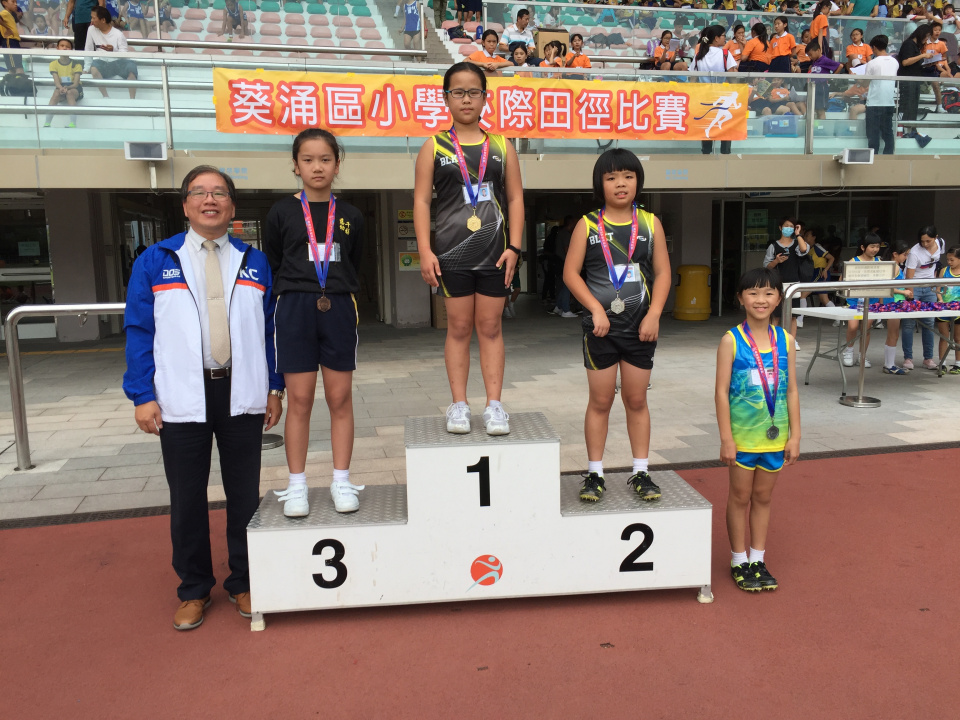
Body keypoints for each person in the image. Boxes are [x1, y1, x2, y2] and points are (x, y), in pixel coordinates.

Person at [123, 165, 284, 631]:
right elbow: (139, 330)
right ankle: (193, 588)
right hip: (181, 396)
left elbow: (271, 331)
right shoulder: (156, 260)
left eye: (219, 193)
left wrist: (274, 387)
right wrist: (142, 394)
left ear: (232, 207)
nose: (209, 200)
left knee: (244, 495)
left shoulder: (255, 261)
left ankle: (244, 580)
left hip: (242, 391)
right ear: (185, 205)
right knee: (187, 496)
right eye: (199, 192)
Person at [413, 63, 524, 436]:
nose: (466, 99)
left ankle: (494, 405)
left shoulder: (502, 146)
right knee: (459, 327)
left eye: (473, 92)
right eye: (458, 92)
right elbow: (421, 202)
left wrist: (515, 246)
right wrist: (426, 250)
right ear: (445, 98)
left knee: (491, 327)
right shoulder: (433, 146)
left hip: (496, 254)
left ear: (484, 98)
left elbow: (516, 198)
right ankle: (458, 405)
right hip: (451, 255)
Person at [264, 129, 366, 518]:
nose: (317, 167)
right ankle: (297, 485)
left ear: (337, 165)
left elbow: (354, 261)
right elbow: (276, 261)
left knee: (340, 398)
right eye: (308, 160)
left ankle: (341, 480)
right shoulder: (280, 212)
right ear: (295, 165)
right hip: (293, 307)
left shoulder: (351, 215)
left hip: (337, 305)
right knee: (300, 400)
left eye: (325, 159)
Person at [563, 149, 671, 505]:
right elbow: (570, 274)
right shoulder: (588, 225)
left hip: (640, 329)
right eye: (611, 178)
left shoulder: (651, 224)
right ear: (601, 184)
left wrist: (655, 314)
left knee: (636, 399)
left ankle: (640, 471)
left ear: (638, 181)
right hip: (601, 330)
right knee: (600, 400)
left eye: (627, 176)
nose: (620, 183)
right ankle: (595, 474)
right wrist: (595, 309)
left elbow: (663, 273)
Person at [716, 267, 800, 592]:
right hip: (742, 439)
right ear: (741, 298)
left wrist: (795, 435)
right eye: (752, 293)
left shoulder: (786, 341)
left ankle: (757, 558)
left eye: (768, 293)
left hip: (774, 438)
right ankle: (739, 560)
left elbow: (792, 390)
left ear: (778, 299)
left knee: (763, 497)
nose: (760, 300)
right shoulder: (731, 341)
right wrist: (726, 438)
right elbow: (721, 392)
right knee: (740, 497)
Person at [763, 216, 809, 346]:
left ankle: (792, 341)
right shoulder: (773, 246)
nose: (788, 229)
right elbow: (767, 266)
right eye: (786, 226)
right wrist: (776, 261)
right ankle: (772, 340)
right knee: (775, 314)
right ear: (780, 228)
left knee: (793, 315)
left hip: (794, 284)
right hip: (777, 284)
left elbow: (804, 249)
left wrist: (798, 235)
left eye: (791, 226)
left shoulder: (797, 244)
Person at [693, 25, 738, 155]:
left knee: (707, 127)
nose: (725, 38)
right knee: (725, 127)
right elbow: (732, 78)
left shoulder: (699, 55)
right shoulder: (725, 54)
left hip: (704, 97)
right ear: (716, 38)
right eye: (723, 35)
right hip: (722, 96)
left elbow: (693, 79)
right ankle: (725, 155)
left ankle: (706, 156)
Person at [902, 226, 942, 370]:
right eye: (922, 241)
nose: (925, 244)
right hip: (915, 286)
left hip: (929, 287)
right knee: (909, 323)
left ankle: (928, 358)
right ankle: (908, 357)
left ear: (935, 237)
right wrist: (910, 295)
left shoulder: (941, 244)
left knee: (929, 322)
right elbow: (909, 276)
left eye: (928, 241)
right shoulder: (914, 252)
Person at [841, 233, 883, 367]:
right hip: (853, 301)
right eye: (872, 246)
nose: (875, 249)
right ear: (863, 247)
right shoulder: (853, 261)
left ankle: (862, 355)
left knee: (866, 328)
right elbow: (842, 280)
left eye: (877, 246)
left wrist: (880, 302)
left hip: (872, 301)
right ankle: (849, 351)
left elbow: (884, 283)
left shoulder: (880, 262)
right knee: (853, 326)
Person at [85, 6, 138, 99]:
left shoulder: (118, 34)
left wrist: (113, 51)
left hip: (118, 63)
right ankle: (105, 97)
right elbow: (88, 49)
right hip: (102, 63)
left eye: (93, 18)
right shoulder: (91, 29)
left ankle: (132, 99)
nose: (91, 20)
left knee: (131, 66)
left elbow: (124, 55)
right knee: (93, 68)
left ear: (103, 20)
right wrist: (86, 68)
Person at [897, 24, 935, 147]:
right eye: (926, 36)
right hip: (907, 81)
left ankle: (911, 130)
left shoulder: (915, 46)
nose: (926, 39)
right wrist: (923, 56)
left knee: (912, 107)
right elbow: (905, 62)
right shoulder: (908, 44)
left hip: (914, 81)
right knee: (905, 107)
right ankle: (901, 130)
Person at [864, 34, 898, 155]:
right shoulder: (895, 62)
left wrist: (858, 78)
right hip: (888, 102)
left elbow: (865, 83)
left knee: (873, 135)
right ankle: (888, 158)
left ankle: (873, 158)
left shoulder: (872, 63)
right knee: (888, 133)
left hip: (874, 102)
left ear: (874, 47)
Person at [880, 241, 911, 374]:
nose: (906, 257)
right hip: (893, 303)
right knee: (893, 334)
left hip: (895, 303)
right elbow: (887, 286)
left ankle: (889, 363)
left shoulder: (894, 266)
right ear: (895, 254)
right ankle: (889, 365)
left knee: (894, 334)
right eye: (905, 254)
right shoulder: (894, 267)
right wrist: (904, 292)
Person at [44, 38, 82, 128]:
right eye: (62, 46)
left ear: (71, 50)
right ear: (57, 48)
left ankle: (73, 123)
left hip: (74, 88)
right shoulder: (53, 64)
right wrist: (61, 88)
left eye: (67, 47)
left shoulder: (77, 64)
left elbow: (76, 84)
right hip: (61, 87)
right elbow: (56, 82)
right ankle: (47, 123)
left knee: (69, 93)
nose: (65, 48)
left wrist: (67, 88)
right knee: (56, 93)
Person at [935, 246, 960, 374]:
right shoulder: (944, 271)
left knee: (958, 338)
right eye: (948, 260)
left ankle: (958, 364)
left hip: (958, 310)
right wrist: (940, 299)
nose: (949, 262)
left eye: (952, 260)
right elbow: (938, 289)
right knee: (943, 336)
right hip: (944, 308)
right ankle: (942, 363)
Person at [806, 40, 844, 119]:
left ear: (818, 50)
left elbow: (840, 66)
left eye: (811, 54)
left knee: (821, 110)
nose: (810, 57)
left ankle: (822, 126)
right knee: (816, 110)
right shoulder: (814, 62)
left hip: (821, 87)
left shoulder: (824, 60)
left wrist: (831, 77)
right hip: (814, 86)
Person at [552, 215, 578, 317]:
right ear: (571, 223)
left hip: (558, 262)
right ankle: (566, 310)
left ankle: (558, 306)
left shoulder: (560, 233)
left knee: (563, 286)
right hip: (564, 262)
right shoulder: (566, 234)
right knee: (567, 285)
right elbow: (567, 250)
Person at [1, 0, 23, 75]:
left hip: (14, 41)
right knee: (14, 67)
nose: (15, 4)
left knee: (17, 65)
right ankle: (15, 81)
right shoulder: (4, 13)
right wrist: (7, 28)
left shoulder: (10, 14)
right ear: (4, 3)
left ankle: (16, 80)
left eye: (16, 2)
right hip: (9, 41)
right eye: (13, 2)